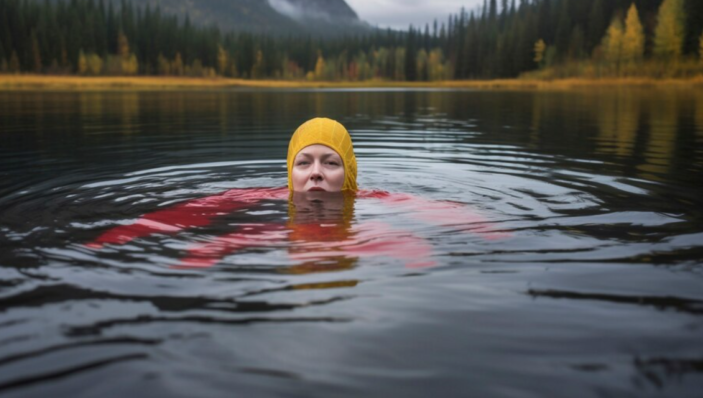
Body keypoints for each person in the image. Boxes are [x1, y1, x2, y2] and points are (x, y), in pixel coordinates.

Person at [86, 118, 506, 270]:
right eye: (304, 163)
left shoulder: (374, 202)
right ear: (289, 173)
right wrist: (123, 235)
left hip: (358, 245)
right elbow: (196, 210)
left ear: (350, 172)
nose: (317, 174)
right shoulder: (262, 198)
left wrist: (492, 232)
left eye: (330, 162)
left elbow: (433, 210)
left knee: (409, 244)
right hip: (287, 244)